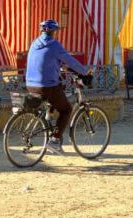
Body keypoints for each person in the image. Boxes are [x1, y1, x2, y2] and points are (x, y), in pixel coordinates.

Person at [25, 19, 92, 154]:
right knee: (66, 109)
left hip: (30, 84)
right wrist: (85, 72)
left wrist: (61, 67)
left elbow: (47, 60)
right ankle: (55, 140)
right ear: (54, 32)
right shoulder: (54, 45)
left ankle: (49, 120)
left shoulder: (34, 43)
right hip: (47, 86)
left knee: (54, 99)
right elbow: (70, 60)